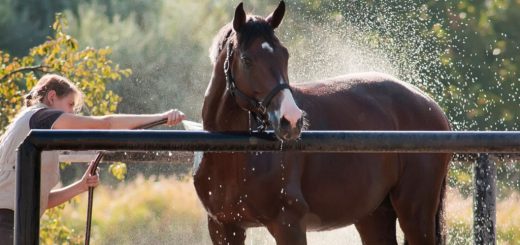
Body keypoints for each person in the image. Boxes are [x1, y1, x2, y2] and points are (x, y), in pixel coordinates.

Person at [0, 74, 186, 243]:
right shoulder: (41, 117)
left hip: (16, 223)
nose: (72, 113)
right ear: (52, 97)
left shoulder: (34, 130)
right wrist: (161, 117)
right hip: (6, 224)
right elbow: (106, 123)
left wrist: (81, 186)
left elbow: (41, 200)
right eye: (70, 105)